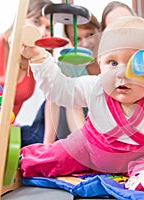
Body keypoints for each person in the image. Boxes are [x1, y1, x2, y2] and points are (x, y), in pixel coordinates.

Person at [20, 16, 144, 199]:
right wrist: (38, 57)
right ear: (100, 64)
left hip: (139, 159)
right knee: (53, 157)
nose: (121, 74)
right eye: (113, 63)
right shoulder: (95, 87)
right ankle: (20, 161)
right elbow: (60, 90)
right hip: (88, 148)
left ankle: (141, 183)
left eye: (136, 64)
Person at [0, 0, 52, 121]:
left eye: (48, 27)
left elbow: (55, 97)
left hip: (5, 132)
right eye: (36, 22)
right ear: (20, 19)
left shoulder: (37, 58)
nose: (42, 32)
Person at [43, 13, 101, 144]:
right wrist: (47, 144)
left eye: (90, 35)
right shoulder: (68, 64)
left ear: (100, 31)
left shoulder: (112, 60)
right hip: (66, 121)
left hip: (95, 122)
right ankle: (84, 144)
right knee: (67, 92)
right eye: (77, 39)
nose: (85, 42)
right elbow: (53, 100)